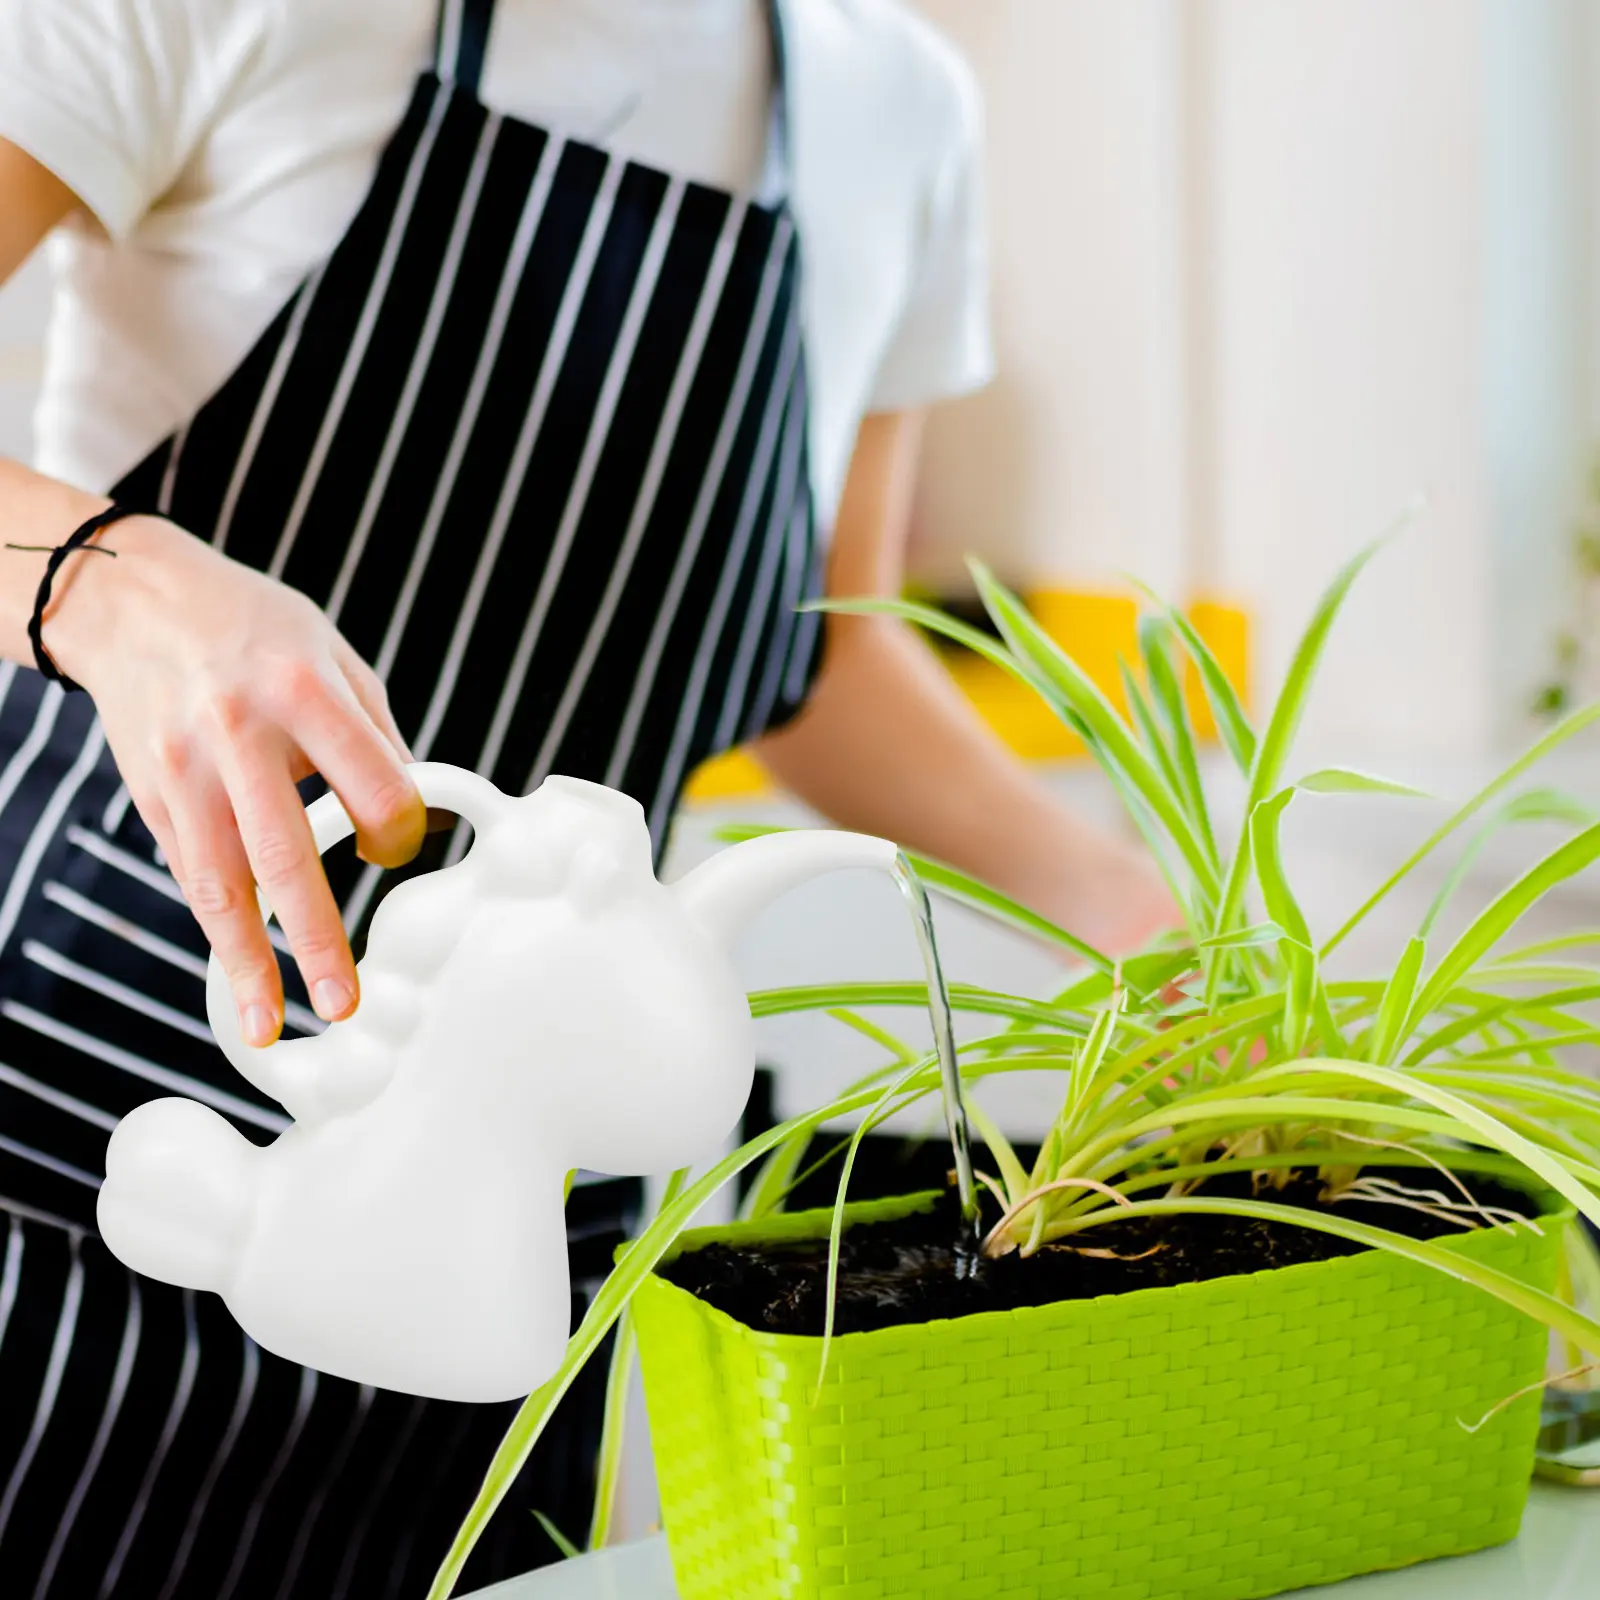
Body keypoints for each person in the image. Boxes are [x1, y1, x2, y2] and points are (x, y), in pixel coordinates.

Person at [0, 0, 1175, 1592]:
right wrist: (106, 582)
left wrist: (1135, 920)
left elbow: (818, 653)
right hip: (77, 1158)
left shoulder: (898, 109)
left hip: (503, 1264)